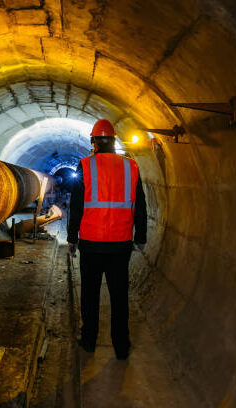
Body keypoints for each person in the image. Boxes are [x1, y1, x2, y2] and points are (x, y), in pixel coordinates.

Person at [67, 119, 147, 360]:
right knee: (119, 296)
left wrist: (72, 238)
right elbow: (140, 206)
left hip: (91, 243)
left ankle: (89, 340)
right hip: (121, 244)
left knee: (90, 295)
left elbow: (77, 206)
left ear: (93, 141)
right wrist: (141, 236)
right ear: (114, 140)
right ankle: (121, 346)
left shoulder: (85, 165)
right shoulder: (131, 167)